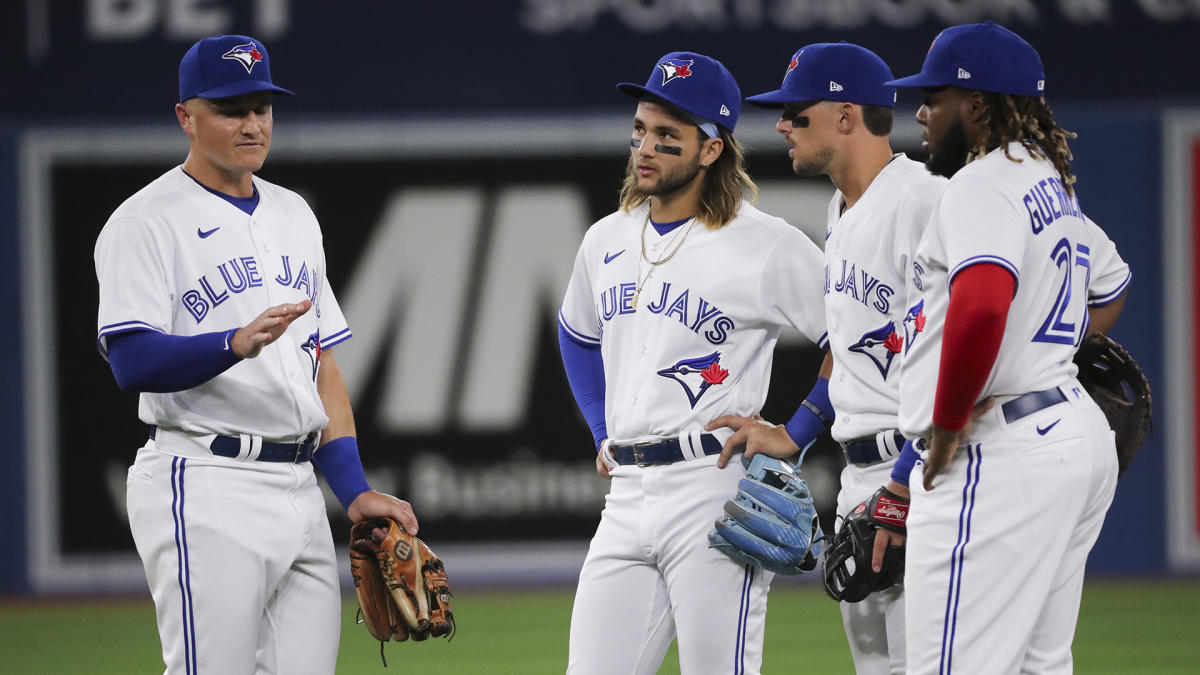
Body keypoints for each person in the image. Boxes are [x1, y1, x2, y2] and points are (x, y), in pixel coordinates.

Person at [93, 34, 418, 674]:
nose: (252, 123)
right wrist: (231, 343)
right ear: (186, 117)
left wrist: (352, 490)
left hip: (299, 488)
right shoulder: (144, 222)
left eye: (262, 108)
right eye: (231, 108)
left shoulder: (294, 214)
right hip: (205, 479)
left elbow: (319, 363)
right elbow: (131, 361)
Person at [557, 51, 829, 674]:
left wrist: (798, 431)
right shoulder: (606, 238)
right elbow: (576, 334)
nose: (645, 149)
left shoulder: (766, 243)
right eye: (640, 132)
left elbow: (858, 342)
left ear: (712, 150)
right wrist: (600, 430)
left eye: (667, 137)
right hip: (624, 496)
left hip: (713, 487)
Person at [881, 22, 1131, 673]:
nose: (922, 113)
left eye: (934, 98)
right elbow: (1111, 286)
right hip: (1070, 434)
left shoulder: (982, 182)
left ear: (976, 104)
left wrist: (945, 423)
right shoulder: (1048, 179)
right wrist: (1040, 360)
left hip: (1000, 454)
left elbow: (984, 303)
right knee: (1038, 665)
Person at [708, 42, 948, 674]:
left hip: (921, 473)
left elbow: (955, 354)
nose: (782, 124)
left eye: (797, 112)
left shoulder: (921, 201)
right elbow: (847, 351)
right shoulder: (842, 210)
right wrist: (796, 433)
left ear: (846, 116)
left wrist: (899, 486)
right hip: (863, 476)